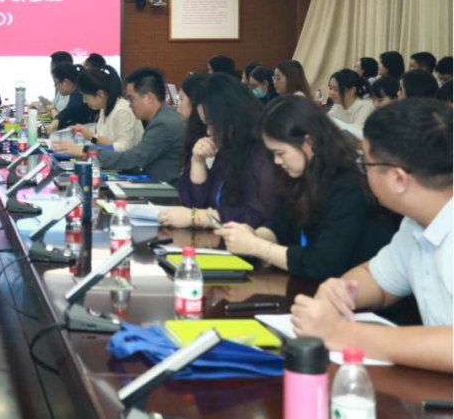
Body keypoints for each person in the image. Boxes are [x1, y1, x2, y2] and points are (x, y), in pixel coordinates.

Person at [291, 99, 452, 372]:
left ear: (399, 179)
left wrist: (341, 333)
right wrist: (342, 291)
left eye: (366, 164)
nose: (363, 173)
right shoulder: (416, 223)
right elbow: (378, 279)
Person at [216, 95, 396, 280]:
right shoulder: (303, 176)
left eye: (280, 153)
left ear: (309, 143)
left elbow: (322, 263)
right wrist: (253, 235)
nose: (276, 161)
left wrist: (257, 247)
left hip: (354, 291)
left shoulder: (348, 188)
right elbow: (281, 225)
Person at [158, 73, 281, 229]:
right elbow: (195, 203)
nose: (208, 132)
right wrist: (197, 161)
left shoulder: (262, 154)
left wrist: (199, 217)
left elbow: (257, 217)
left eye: (210, 123)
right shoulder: (228, 150)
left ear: (228, 117)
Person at [96, 68, 184, 184]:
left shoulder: (163, 124)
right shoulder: (164, 116)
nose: (129, 105)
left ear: (149, 98)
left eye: (131, 99)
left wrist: (93, 154)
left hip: (165, 189)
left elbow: (134, 159)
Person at [50, 66, 142, 155]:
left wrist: (91, 136)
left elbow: (124, 149)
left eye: (86, 97)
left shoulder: (122, 111)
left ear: (100, 94)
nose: (84, 101)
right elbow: (103, 141)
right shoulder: (104, 108)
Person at [45, 64, 94, 133]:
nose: (55, 86)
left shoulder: (78, 95)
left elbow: (68, 111)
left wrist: (55, 120)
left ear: (66, 82)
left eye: (56, 83)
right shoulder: (75, 92)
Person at [38, 52, 74, 119]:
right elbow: (55, 105)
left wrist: (51, 109)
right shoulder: (64, 85)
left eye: (56, 83)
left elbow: (60, 117)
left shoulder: (68, 90)